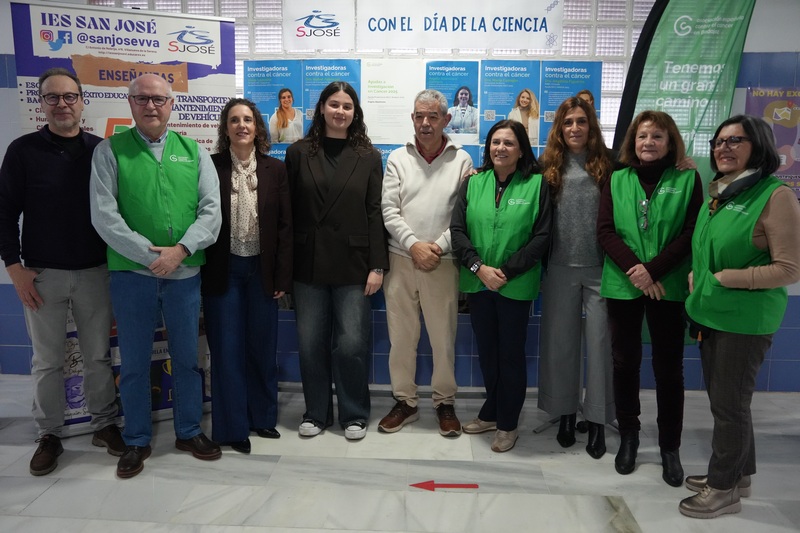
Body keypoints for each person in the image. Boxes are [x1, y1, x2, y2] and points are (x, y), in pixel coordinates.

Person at [90, 73, 222, 479]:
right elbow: (104, 216)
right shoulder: (109, 151)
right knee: (133, 362)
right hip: (132, 275)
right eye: (142, 99)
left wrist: (180, 250)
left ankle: (188, 431)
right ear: (130, 103)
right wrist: (150, 258)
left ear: (171, 104)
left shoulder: (194, 151)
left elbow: (211, 210)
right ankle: (136, 439)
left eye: (159, 99)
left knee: (187, 359)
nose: (151, 106)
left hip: (185, 274)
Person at [0, 67, 125, 476]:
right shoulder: (22, 151)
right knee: (47, 361)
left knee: (97, 356)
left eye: (69, 96)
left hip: (95, 271)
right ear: (41, 103)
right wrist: (14, 267)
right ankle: (49, 433)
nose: (62, 104)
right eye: (52, 97)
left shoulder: (101, 150)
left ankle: (104, 424)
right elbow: (4, 213)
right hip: (42, 274)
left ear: (82, 101)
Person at [679, 115, 800, 519]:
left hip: (744, 320)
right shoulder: (722, 193)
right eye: (718, 141)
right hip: (713, 312)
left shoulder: (774, 196)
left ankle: (723, 488)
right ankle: (740, 474)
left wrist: (726, 278)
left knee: (729, 407)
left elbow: (789, 268)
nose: (723, 148)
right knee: (728, 402)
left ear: (758, 146)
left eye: (735, 141)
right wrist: (699, 274)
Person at [597, 110, 703, 486]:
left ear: (670, 142)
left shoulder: (687, 178)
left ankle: (669, 447)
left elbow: (692, 231)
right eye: (642, 136)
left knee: (668, 369)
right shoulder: (617, 177)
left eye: (657, 136)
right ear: (633, 141)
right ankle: (629, 435)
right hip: (624, 283)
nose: (649, 143)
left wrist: (653, 271)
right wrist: (638, 272)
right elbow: (605, 231)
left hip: (667, 285)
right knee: (624, 363)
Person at [285, 81, 388, 441]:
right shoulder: (298, 153)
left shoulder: (369, 156)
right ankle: (315, 412)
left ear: (355, 113)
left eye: (347, 106)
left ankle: (354, 414)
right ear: (321, 109)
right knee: (310, 343)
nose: (340, 111)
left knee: (351, 344)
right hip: (308, 262)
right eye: (334, 104)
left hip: (354, 264)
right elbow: (288, 213)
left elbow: (374, 212)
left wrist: (377, 265)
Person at [451, 119, 552, 452]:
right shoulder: (473, 182)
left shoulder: (536, 184)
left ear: (521, 149)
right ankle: (492, 412)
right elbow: (457, 231)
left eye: (508, 143)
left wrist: (505, 272)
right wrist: (479, 268)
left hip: (515, 285)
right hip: (478, 283)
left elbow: (542, 237)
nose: (501, 148)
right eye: (495, 142)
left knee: (510, 356)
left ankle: (508, 424)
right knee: (488, 353)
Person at [379, 89, 473, 437]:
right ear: (412, 119)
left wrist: (437, 246)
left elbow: (464, 213)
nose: (425, 123)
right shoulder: (397, 158)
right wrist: (414, 245)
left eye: (433, 116)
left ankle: (444, 402)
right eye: (419, 116)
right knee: (401, 338)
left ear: (446, 119)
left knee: (443, 339)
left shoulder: (461, 160)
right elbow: (389, 210)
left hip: (442, 261)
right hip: (401, 260)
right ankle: (405, 402)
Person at [201, 98, 292, 454]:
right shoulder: (211, 167)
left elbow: (285, 227)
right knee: (227, 350)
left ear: (257, 128)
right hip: (223, 270)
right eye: (235, 120)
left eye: (248, 120)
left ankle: (262, 417)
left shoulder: (275, 169)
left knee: (262, 346)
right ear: (226, 129)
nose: (242, 125)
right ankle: (232, 428)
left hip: (261, 272)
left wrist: (282, 277)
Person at [537, 97, 614, 458]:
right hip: (559, 267)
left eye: (581, 121)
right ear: (559, 128)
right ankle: (565, 415)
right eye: (568, 122)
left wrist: (681, 163)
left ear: (591, 125)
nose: (575, 128)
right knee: (561, 346)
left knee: (600, 347)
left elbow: (650, 170)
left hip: (601, 269)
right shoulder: (546, 166)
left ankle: (597, 421)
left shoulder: (610, 164)